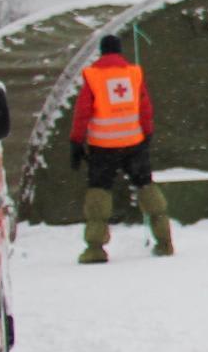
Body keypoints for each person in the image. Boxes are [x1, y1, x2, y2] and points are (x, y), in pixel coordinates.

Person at [68, 33, 172, 264]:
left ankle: (95, 248)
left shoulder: (93, 76)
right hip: (134, 144)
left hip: (103, 147)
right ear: (119, 51)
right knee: (146, 187)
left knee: (99, 194)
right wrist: (147, 133)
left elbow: (83, 112)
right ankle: (165, 241)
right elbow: (145, 107)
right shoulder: (133, 73)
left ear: (102, 52)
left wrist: (76, 141)